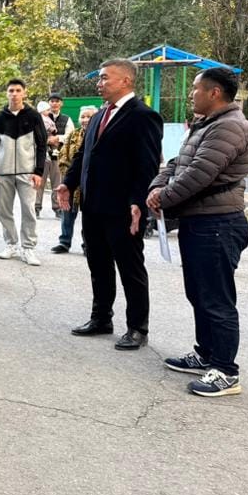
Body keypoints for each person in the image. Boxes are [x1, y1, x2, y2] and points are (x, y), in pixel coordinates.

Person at [147, 68, 248, 396]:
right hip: (200, 222)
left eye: (195, 88)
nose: (191, 94)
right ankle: (206, 353)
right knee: (200, 294)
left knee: (217, 299)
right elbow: (177, 163)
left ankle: (225, 371)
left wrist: (163, 198)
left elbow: (198, 174)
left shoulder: (230, 126)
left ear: (214, 92)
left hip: (218, 225)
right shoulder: (206, 124)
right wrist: (156, 187)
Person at [57, 58, 163, 350]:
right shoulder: (100, 115)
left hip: (124, 210)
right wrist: (69, 182)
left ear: (126, 80)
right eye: (99, 78)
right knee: (98, 264)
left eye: (105, 78)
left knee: (130, 268)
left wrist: (138, 202)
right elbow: (84, 155)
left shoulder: (143, 116)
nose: (99, 83)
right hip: (93, 205)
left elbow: (147, 165)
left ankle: (137, 327)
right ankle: (101, 317)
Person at [0, 79, 47, 266]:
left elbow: (41, 144)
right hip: (3, 172)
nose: (14, 94)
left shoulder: (34, 116)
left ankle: (28, 247)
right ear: (7, 93)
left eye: (18, 90)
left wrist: (38, 171)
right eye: (11, 90)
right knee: (4, 210)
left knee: (29, 209)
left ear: (24, 93)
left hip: (27, 172)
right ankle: (11, 244)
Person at [51, 105, 97, 254]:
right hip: (71, 181)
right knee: (67, 212)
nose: (85, 120)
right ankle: (64, 242)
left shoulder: (98, 135)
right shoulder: (73, 135)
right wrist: (68, 177)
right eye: (83, 117)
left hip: (90, 183)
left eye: (89, 116)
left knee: (89, 216)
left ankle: (88, 244)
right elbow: (63, 155)